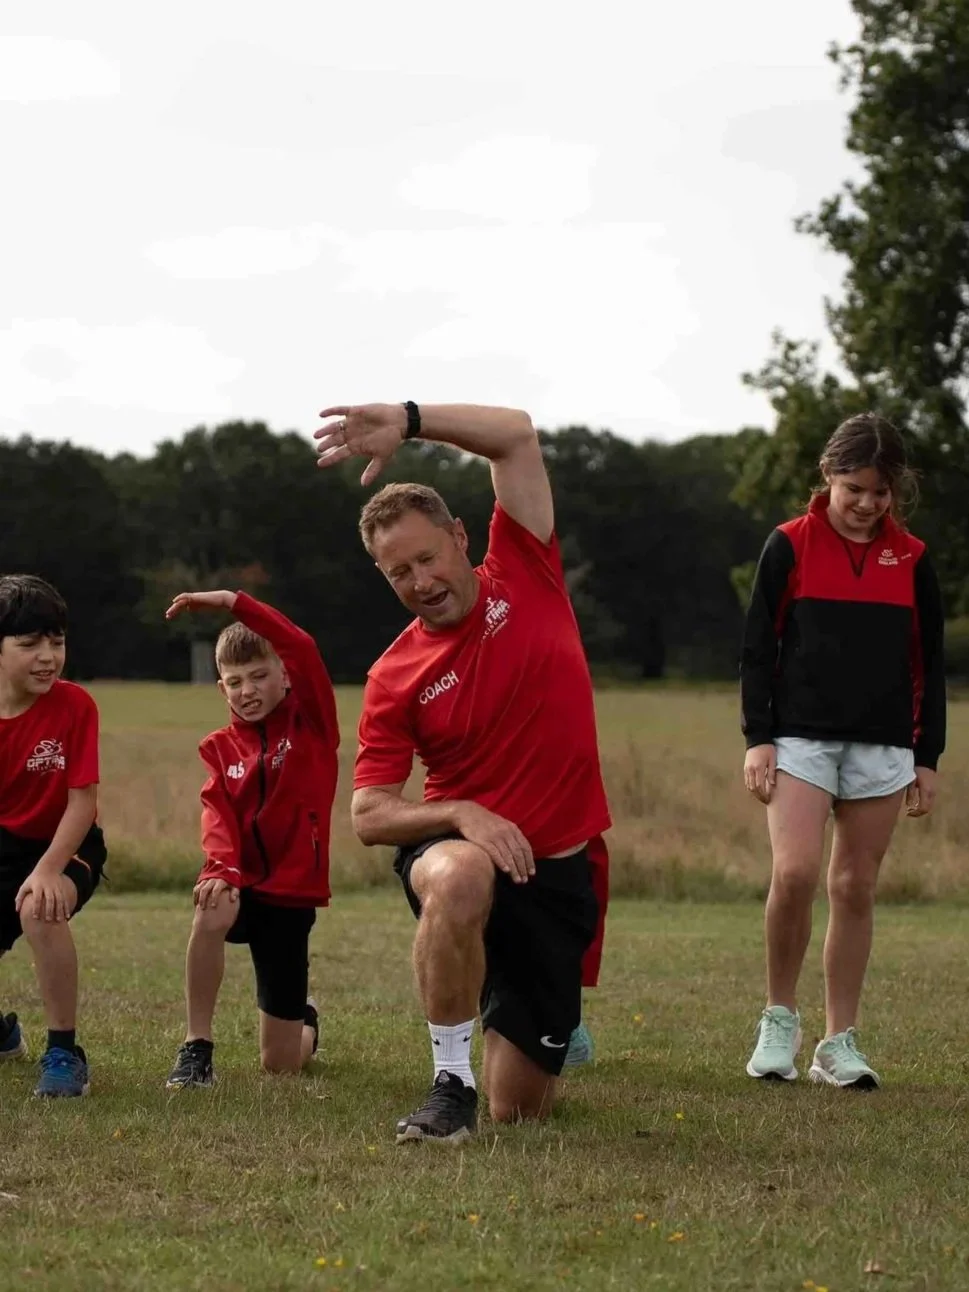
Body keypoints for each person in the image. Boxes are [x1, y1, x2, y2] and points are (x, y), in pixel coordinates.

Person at [315, 400, 611, 1144]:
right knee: (458, 877)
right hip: (461, 854)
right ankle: (450, 1081)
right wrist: (461, 814)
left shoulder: (527, 567)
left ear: (458, 537)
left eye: (426, 558)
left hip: (555, 879)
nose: (418, 581)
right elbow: (370, 815)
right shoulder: (393, 675)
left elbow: (514, 435)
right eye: (397, 573)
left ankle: (524, 1023)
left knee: (523, 1110)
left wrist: (408, 420)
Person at [741, 413, 946, 1089]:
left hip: (883, 744)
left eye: (879, 493)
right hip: (799, 739)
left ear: (895, 492)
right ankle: (778, 1021)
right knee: (795, 874)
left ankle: (838, 1043)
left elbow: (928, 662)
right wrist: (758, 738)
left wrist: (926, 756)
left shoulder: (912, 559)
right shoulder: (788, 545)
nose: (866, 504)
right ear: (827, 477)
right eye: (853, 488)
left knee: (853, 886)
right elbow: (757, 650)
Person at [163, 590, 339, 1088]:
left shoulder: (313, 726)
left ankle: (304, 1020)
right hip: (239, 884)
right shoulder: (219, 750)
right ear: (222, 689)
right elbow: (217, 816)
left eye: (260, 676)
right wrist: (221, 869)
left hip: (290, 895)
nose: (249, 690)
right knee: (211, 904)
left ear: (285, 675)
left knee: (281, 1063)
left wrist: (230, 600)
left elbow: (301, 645)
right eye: (235, 682)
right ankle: (196, 1047)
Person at [0, 574, 107, 1098]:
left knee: (39, 906)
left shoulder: (75, 706)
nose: (47, 656)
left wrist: (46, 868)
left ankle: (64, 1053)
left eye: (56, 642)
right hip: (4, 846)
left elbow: (82, 800)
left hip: (68, 843)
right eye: (28, 644)